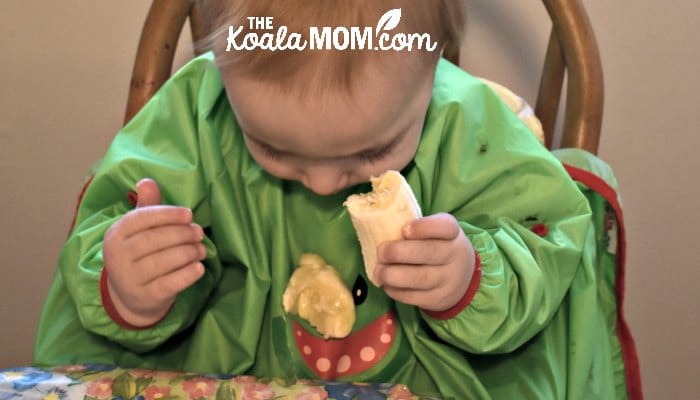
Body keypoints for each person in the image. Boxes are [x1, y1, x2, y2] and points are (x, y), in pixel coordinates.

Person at [34, 1, 630, 398]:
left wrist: (471, 279)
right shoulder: (195, 117)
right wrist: (131, 289)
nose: (322, 185)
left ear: (433, 67)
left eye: (370, 153)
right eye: (269, 147)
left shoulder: (470, 129)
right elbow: (107, 230)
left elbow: (548, 251)